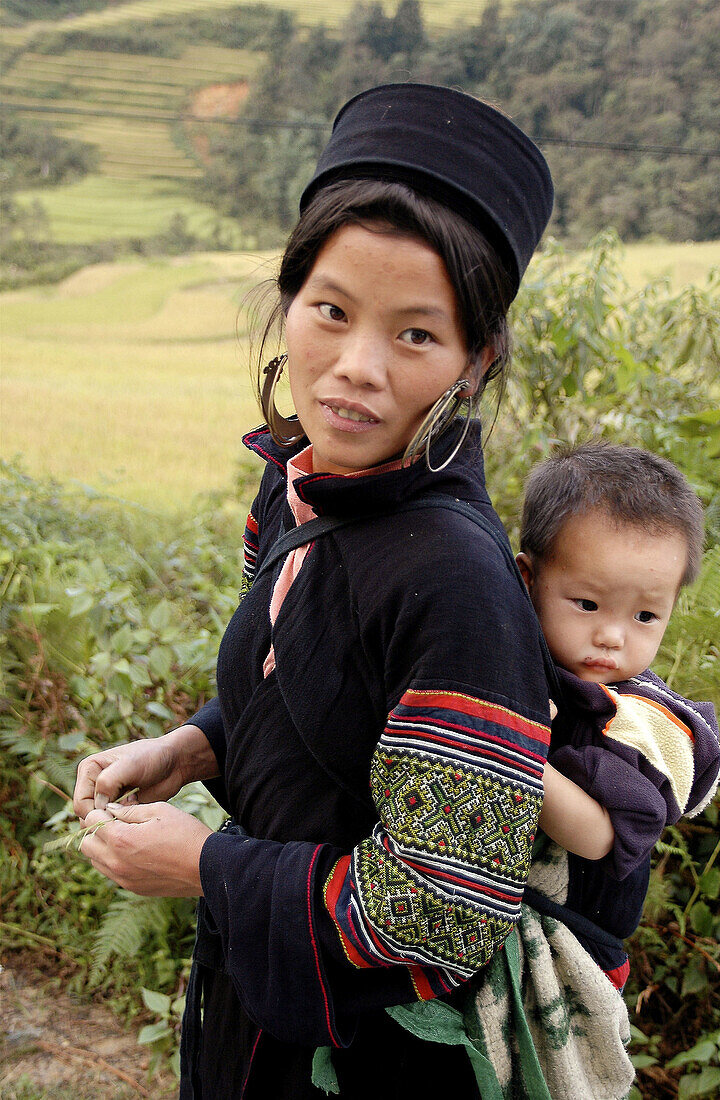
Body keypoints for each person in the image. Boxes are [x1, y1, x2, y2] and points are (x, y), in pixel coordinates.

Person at [73, 82, 558, 1098]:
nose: (353, 369)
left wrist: (208, 866)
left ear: (475, 362)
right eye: (329, 311)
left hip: (370, 1061)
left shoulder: (455, 585)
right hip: (260, 1009)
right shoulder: (299, 484)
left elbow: (439, 909)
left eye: (416, 336)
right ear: (288, 301)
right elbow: (296, 672)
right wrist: (194, 744)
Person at [472, 443, 720, 1096]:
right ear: (527, 580)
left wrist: (516, 742)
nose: (613, 637)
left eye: (644, 616)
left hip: (579, 945)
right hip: (497, 924)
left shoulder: (642, 719)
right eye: (585, 603)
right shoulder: (523, 662)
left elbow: (598, 835)